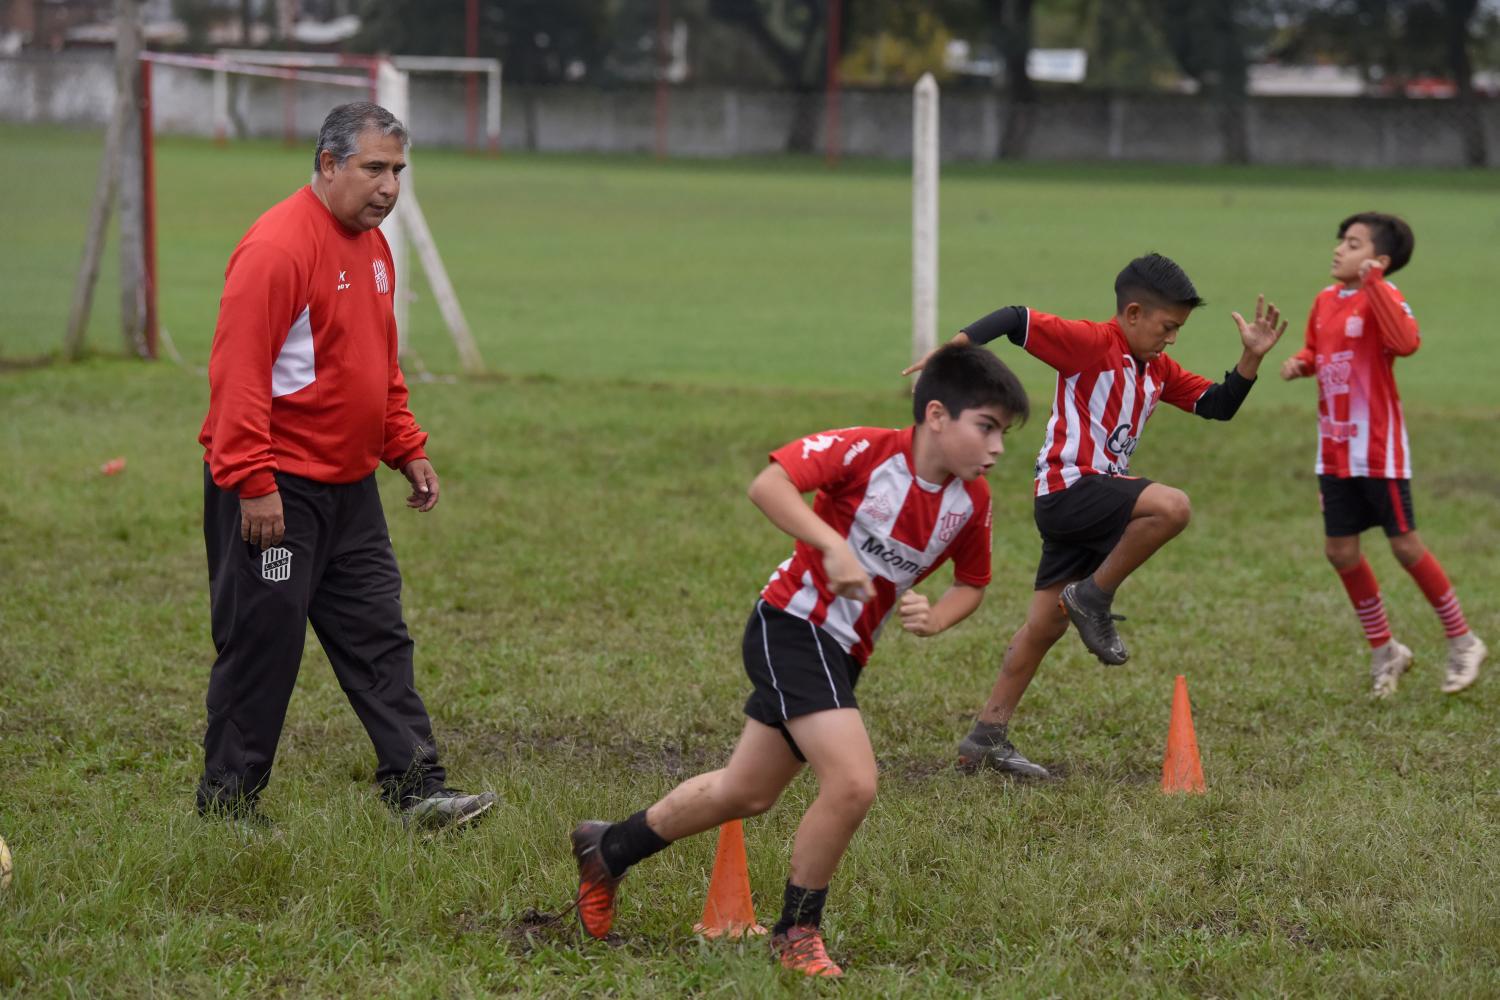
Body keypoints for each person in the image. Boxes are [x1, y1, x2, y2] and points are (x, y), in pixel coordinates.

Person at [568, 344, 1029, 977]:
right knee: (853, 783)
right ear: (937, 415)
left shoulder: (970, 502)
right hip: (790, 625)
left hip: (843, 653)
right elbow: (769, 485)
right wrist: (832, 545)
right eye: (987, 426)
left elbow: (972, 583)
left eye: (1003, 433)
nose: (997, 447)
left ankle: (608, 849)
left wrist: (938, 616)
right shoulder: (866, 451)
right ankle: (796, 932)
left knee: (745, 791)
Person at [195, 102, 495, 830]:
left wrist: (405, 445)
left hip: (350, 490)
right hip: (275, 490)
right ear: (329, 164)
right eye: (374, 169)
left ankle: (418, 790)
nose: (389, 187)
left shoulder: (374, 246)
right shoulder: (278, 248)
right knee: (264, 643)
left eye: (398, 170)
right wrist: (255, 484)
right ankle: (228, 808)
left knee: (378, 636)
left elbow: (375, 363)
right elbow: (238, 377)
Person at [905, 254, 1286, 779]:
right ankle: (1092, 597)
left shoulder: (1158, 369)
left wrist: (1251, 358)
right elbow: (1016, 318)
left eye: (1179, 328)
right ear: (1133, 313)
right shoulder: (1090, 342)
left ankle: (986, 737)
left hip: (1091, 501)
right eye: (1167, 326)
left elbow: (1217, 405)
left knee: (1043, 626)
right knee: (1172, 506)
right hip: (1069, 488)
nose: (1173, 338)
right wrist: (954, 351)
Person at [1280, 212, 1485, 697]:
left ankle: (1463, 640)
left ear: (1380, 260)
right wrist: (1302, 363)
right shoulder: (1325, 300)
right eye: (1341, 241)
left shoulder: (1385, 296)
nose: (1339, 249)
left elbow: (1406, 343)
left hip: (1377, 450)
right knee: (1340, 552)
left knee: (1404, 546)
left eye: (1353, 244)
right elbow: (1318, 350)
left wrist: (1375, 285)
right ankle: (1385, 650)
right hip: (1334, 450)